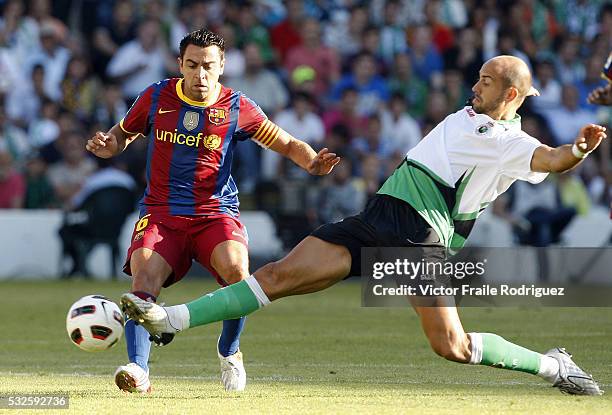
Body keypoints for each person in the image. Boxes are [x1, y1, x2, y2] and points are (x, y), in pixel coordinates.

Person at [120, 56, 606, 396]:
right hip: (377, 218)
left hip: (420, 239)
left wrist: (579, 150)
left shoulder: (509, 141)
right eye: (477, 78)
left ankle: (553, 365)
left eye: (484, 81)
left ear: (511, 93)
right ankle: (171, 319)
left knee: (452, 346)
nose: (473, 87)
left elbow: (552, 157)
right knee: (276, 275)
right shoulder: (468, 116)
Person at [85, 28, 339, 393]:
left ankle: (230, 352)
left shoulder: (237, 106)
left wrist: (312, 161)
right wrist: (109, 144)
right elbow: (122, 135)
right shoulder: (156, 96)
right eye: (191, 65)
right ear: (180, 65)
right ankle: (138, 370)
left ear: (222, 66)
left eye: (207, 66)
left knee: (238, 274)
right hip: (162, 213)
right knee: (142, 282)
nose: (199, 75)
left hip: (214, 212)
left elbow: (284, 141)